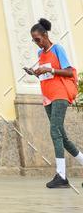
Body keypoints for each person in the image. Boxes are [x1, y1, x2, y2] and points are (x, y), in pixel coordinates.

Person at [27, 18, 82, 188]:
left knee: (54, 130)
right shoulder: (40, 55)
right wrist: (36, 73)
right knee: (62, 137)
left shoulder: (57, 48)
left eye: (38, 39)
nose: (36, 43)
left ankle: (61, 176)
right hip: (48, 96)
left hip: (60, 94)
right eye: (33, 40)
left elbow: (68, 72)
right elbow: (47, 76)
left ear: (45, 35)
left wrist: (49, 69)